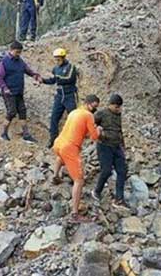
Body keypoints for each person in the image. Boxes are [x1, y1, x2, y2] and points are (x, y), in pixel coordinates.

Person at [51, 95, 102, 223]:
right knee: (79, 180)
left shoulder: (74, 112)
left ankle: (55, 176)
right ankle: (75, 213)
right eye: (94, 107)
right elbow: (94, 137)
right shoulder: (88, 115)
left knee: (61, 156)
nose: (95, 110)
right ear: (88, 104)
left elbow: (79, 130)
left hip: (58, 143)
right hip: (70, 147)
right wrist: (99, 129)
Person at [0, 41, 42, 142]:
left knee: (22, 112)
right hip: (9, 92)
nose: (18, 54)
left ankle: (26, 134)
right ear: (11, 50)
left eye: (20, 52)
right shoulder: (3, 62)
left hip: (19, 91)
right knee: (11, 112)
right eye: (17, 52)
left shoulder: (20, 61)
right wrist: (5, 88)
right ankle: (3, 133)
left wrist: (35, 75)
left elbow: (28, 70)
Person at [92, 94, 128, 210]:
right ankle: (97, 191)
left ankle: (119, 199)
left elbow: (119, 130)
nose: (119, 109)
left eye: (120, 107)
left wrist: (123, 146)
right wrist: (99, 132)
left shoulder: (118, 115)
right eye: (117, 107)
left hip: (117, 146)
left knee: (122, 171)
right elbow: (91, 124)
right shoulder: (101, 114)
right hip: (104, 146)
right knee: (106, 171)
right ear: (111, 105)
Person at [42, 48, 78, 148]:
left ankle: (74, 140)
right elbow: (53, 80)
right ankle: (53, 140)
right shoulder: (55, 68)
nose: (57, 61)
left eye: (58, 59)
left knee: (73, 118)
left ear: (63, 58)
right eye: (56, 59)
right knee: (54, 118)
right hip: (59, 96)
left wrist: (57, 78)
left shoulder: (71, 67)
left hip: (69, 95)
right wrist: (43, 80)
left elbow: (69, 78)